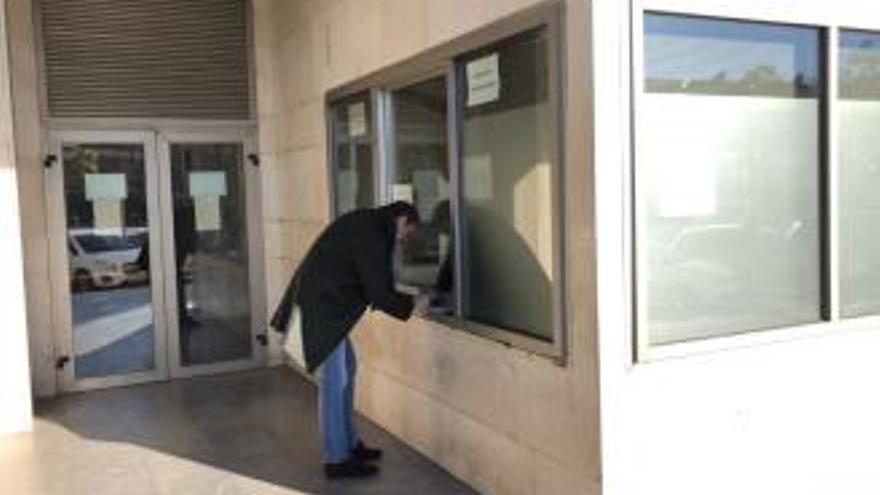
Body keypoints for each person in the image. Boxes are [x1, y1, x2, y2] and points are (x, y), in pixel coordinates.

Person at [270, 201, 430, 479]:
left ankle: (350, 444)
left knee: (348, 372)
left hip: (325, 309)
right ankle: (336, 459)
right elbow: (378, 291)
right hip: (321, 313)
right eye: (407, 233)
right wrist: (413, 304)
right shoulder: (372, 231)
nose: (403, 240)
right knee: (335, 382)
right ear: (403, 219)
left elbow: (371, 279)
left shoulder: (368, 224)